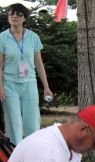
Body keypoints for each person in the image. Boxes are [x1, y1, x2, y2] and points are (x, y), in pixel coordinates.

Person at [0, 3, 53, 145]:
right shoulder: (2, 38)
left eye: (18, 15)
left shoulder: (33, 37)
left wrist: (46, 87)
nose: (14, 17)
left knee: (32, 122)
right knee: (14, 123)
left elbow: (39, 64)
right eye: (11, 14)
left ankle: (32, 150)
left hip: (29, 83)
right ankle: (14, 153)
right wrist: (0, 87)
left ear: (24, 18)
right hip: (9, 85)